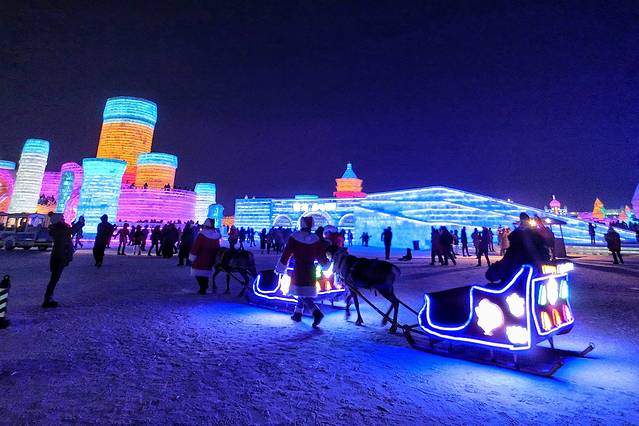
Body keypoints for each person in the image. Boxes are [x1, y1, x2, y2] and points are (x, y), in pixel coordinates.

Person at [275, 216, 330, 326]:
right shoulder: (315, 239)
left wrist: (281, 267)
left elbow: (286, 253)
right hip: (311, 269)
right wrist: (325, 264)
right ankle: (297, 314)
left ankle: (316, 313)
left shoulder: (294, 237)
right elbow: (321, 256)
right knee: (304, 291)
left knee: (301, 292)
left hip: (299, 268)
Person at [486, 213, 550, 282]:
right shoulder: (535, 240)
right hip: (536, 271)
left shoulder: (517, 245)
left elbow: (507, 261)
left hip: (522, 273)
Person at [43, 213, 77, 308]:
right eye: (62, 218)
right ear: (58, 220)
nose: (64, 219)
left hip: (58, 256)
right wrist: (80, 223)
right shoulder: (60, 230)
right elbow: (70, 232)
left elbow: (69, 232)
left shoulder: (57, 229)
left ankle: (48, 298)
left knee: (54, 278)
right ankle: (47, 299)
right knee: (54, 278)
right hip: (59, 256)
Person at [190, 219, 221, 294]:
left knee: (198, 272)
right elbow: (218, 247)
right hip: (211, 258)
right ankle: (204, 286)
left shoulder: (201, 235)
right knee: (206, 272)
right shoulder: (216, 236)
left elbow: (196, 246)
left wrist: (192, 256)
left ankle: (202, 287)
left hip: (200, 257)